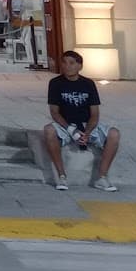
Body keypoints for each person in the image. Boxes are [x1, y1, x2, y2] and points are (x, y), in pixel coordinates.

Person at [43, 49, 120, 191]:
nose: (67, 66)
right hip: (66, 125)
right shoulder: (55, 83)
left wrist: (87, 133)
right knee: (49, 130)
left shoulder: (88, 84)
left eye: (71, 63)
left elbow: (95, 114)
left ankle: (102, 178)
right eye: (64, 63)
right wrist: (71, 129)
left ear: (80, 66)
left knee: (114, 134)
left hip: (86, 124)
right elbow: (54, 112)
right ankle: (61, 176)